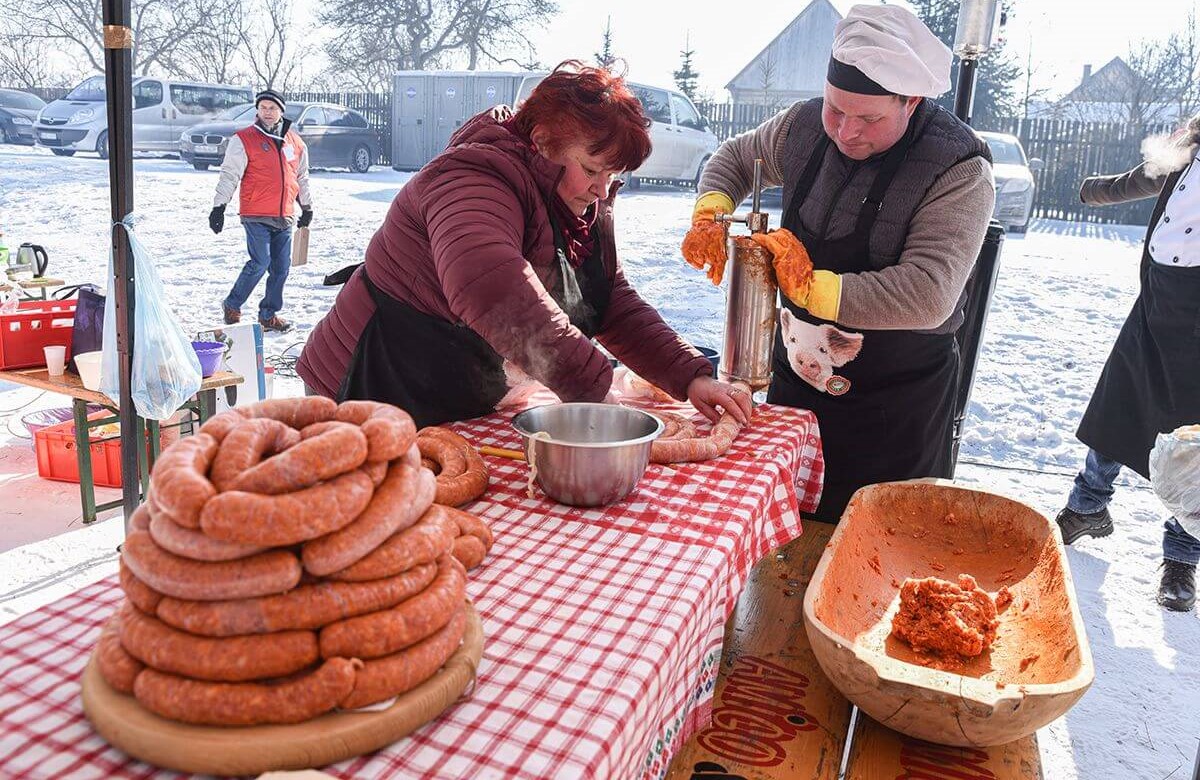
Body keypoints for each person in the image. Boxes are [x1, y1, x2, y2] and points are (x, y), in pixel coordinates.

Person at [297, 61, 751, 429]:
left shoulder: (577, 205)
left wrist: (689, 375)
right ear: (541, 143)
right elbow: (492, 291)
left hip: (452, 402)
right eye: (592, 169)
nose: (601, 189)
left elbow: (608, 302)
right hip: (364, 390)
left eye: (614, 176)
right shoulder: (475, 177)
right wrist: (595, 385)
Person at [681, 4, 995, 522]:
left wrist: (807, 289)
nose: (846, 131)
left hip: (894, 411)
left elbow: (928, 292)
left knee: (878, 550)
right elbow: (735, 159)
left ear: (911, 101)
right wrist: (710, 212)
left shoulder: (958, 169)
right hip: (795, 388)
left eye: (869, 118)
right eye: (835, 108)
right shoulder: (802, 128)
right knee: (779, 529)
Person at [1054, 119, 1200, 612]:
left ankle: (1182, 558)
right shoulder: (1190, 147)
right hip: (1157, 303)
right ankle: (1087, 506)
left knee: (1193, 444)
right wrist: (1095, 191)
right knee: (1116, 404)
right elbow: (1146, 176)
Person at [209, 88, 312, 333]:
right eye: (263, 107)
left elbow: (301, 177)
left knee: (281, 267)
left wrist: (306, 207)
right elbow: (229, 175)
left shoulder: (295, 143)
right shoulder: (244, 139)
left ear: (281, 111)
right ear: (257, 110)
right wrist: (218, 207)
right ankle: (232, 304)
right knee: (260, 261)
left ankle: (268, 314)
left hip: (285, 214)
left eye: (272, 108)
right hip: (255, 213)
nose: (267, 112)